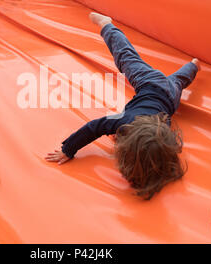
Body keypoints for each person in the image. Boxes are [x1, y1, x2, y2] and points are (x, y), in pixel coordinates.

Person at [45, 12, 201, 200]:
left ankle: (193, 65)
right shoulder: (123, 121)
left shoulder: (159, 132)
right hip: (150, 84)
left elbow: (97, 129)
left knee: (176, 80)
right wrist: (68, 149)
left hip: (171, 97)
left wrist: (68, 150)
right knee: (127, 58)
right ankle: (106, 24)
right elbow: (93, 127)